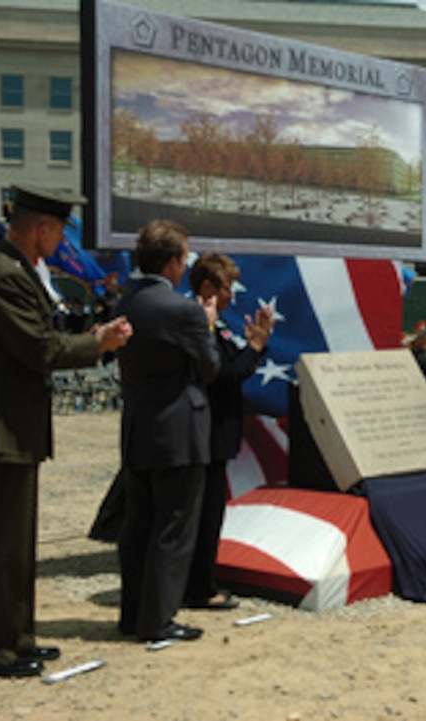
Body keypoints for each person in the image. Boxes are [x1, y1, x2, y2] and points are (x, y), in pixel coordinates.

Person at [0, 185, 132, 678]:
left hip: (14, 419)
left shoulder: (18, 270)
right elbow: (40, 349)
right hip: (0, 421)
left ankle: (16, 638)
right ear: (41, 229)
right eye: (59, 232)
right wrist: (99, 342)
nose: (61, 243)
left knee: (17, 539)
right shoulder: (2, 275)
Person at [114, 219, 221, 644]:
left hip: (139, 425)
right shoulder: (184, 310)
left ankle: (134, 614)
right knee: (174, 527)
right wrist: (208, 325)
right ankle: (159, 620)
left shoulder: (125, 304)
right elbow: (209, 367)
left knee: (138, 524)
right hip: (179, 429)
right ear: (174, 262)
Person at [182, 252, 275, 611]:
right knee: (203, 516)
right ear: (207, 287)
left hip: (216, 434)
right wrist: (253, 349)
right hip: (205, 432)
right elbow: (224, 374)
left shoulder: (217, 326)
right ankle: (198, 588)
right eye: (226, 287)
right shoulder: (198, 324)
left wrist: (255, 346)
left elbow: (234, 366)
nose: (232, 295)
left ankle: (200, 581)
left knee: (210, 513)